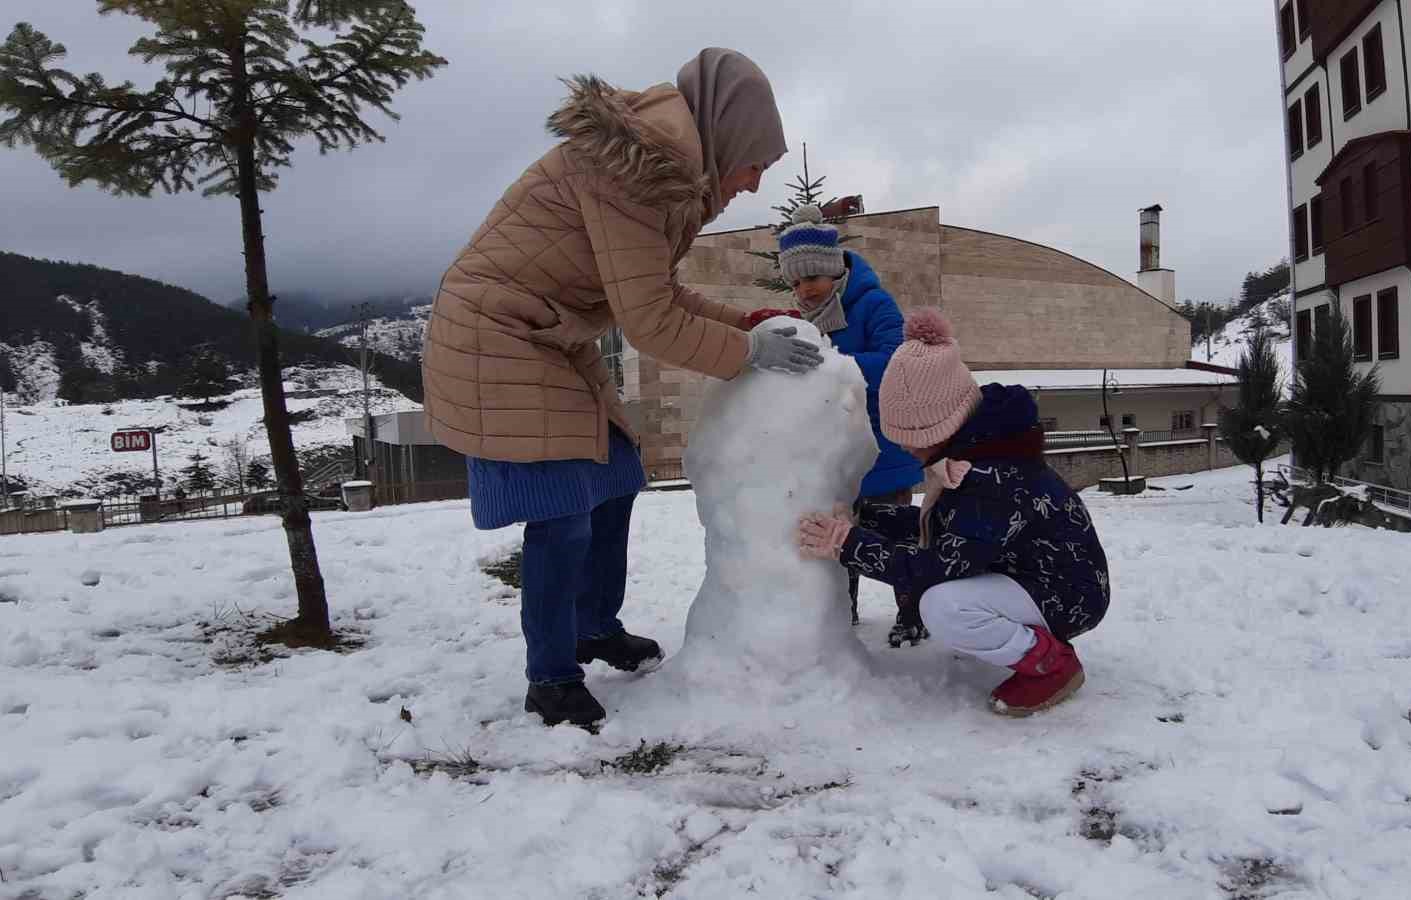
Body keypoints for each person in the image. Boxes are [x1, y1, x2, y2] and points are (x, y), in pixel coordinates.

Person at [422, 49, 821, 730]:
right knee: (562, 509)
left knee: (616, 477)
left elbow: (655, 290)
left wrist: (743, 321)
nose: (753, 183)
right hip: (499, 338)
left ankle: (591, 626)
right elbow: (651, 322)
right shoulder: (633, 173)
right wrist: (749, 351)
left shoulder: (661, 175)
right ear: (728, 139)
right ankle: (551, 677)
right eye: (755, 162)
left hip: (550, 335)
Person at [795, 308, 1111, 716]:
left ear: (941, 428)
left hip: (1069, 596)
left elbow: (934, 566)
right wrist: (867, 518)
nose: (907, 449)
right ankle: (1031, 641)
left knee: (943, 605)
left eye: (912, 439)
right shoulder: (978, 453)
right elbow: (946, 531)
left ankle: (1051, 665)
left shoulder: (991, 483)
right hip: (1034, 576)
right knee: (946, 592)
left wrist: (847, 544)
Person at [742, 205, 928, 647]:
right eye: (795, 282)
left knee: (895, 533)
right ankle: (844, 611)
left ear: (832, 271)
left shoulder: (874, 304)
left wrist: (829, 367)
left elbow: (895, 362)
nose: (802, 290)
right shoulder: (808, 318)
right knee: (841, 536)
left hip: (884, 445)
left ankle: (912, 610)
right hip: (835, 453)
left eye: (810, 279)